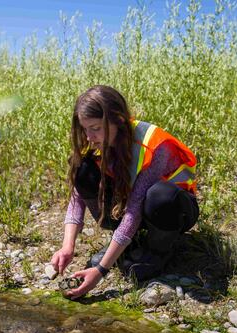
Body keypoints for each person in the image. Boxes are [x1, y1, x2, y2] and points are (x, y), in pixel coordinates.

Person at [50, 85, 199, 300]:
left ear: (118, 120)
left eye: (95, 128)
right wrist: (67, 246)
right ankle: (128, 244)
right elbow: (77, 196)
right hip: (134, 210)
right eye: (85, 129)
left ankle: (159, 250)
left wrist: (101, 270)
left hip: (173, 211)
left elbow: (134, 209)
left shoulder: (153, 145)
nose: (89, 137)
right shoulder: (95, 143)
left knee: (159, 197)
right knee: (82, 170)